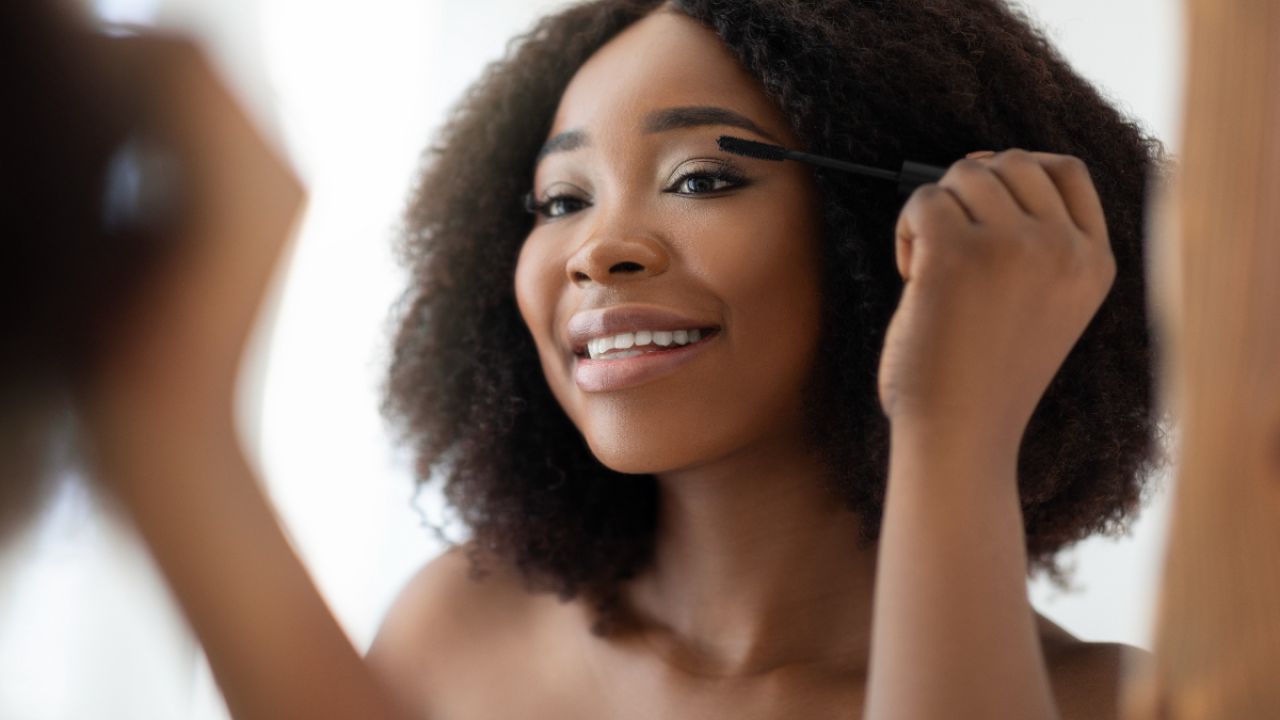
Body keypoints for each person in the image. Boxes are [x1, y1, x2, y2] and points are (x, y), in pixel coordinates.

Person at [63, 0, 1167, 718]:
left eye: (699, 179)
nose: (597, 250)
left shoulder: (1116, 702)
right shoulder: (459, 629)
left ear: (910, 232)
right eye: (559, 200)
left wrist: (954, 426)